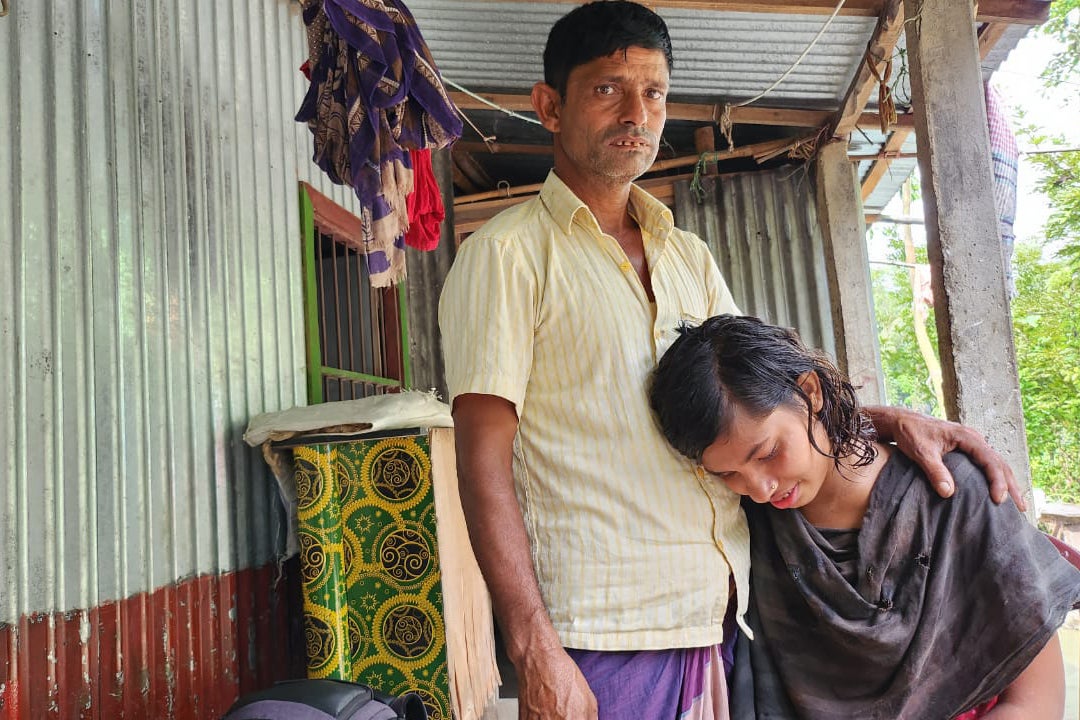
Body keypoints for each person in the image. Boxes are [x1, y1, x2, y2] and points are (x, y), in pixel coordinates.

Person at [438, 3, 1020, 718]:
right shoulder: (506, 255)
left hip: (725, 620)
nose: (636, 113)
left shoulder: (688, 255)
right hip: (602, 635)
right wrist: (533, 649)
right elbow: (481, 464)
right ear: (549, 107)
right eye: (607, 89)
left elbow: (761, 400)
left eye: (653, 92)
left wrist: (890, 422)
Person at [648, 314, 1080, 720]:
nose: (760, 488)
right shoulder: (753, 529)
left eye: (768, 453)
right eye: (728, 474)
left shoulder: (954, 493)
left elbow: (1034, 701)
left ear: (811, 393)